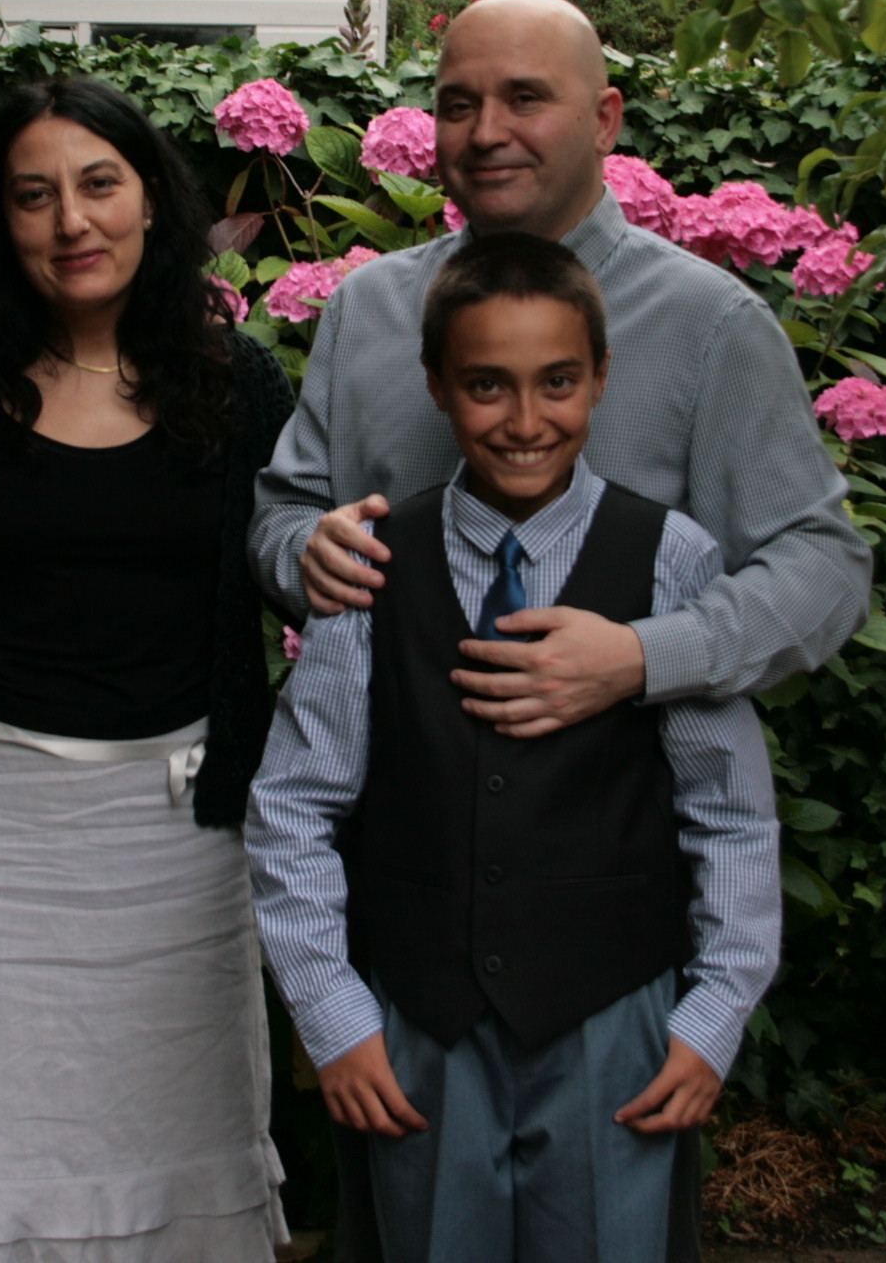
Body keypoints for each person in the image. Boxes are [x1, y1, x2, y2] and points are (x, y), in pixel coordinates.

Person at [248, 233, 781, 1262]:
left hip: (614, 1020)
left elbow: (727, 808)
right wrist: (334, 1014)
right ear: (437, 386)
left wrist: (714, 1010)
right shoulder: (370, 565)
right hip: (419, 1024)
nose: (526, 420)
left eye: (557, 382)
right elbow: (295, 804)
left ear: (601, 378)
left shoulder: (669, 558)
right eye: (487, 384)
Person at [0, 75, 298, 1261]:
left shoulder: (236, 383)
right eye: (34, 195)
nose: (71, 219)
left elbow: (300, 567)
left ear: (150, 200)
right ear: (0, 221)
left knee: (189, 1130)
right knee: (2, 1145)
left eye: (98, 183)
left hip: (187, 832)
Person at [254, 0, 873, 731]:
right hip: (394, 779)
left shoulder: (712, 326)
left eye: (525, 99)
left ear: (605, 120)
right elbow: (283, 516)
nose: (487, 133)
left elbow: (823, 567)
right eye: (458, 106)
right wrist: (306, 555)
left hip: (619, 786)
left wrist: (644, 656)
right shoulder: (368, 308)